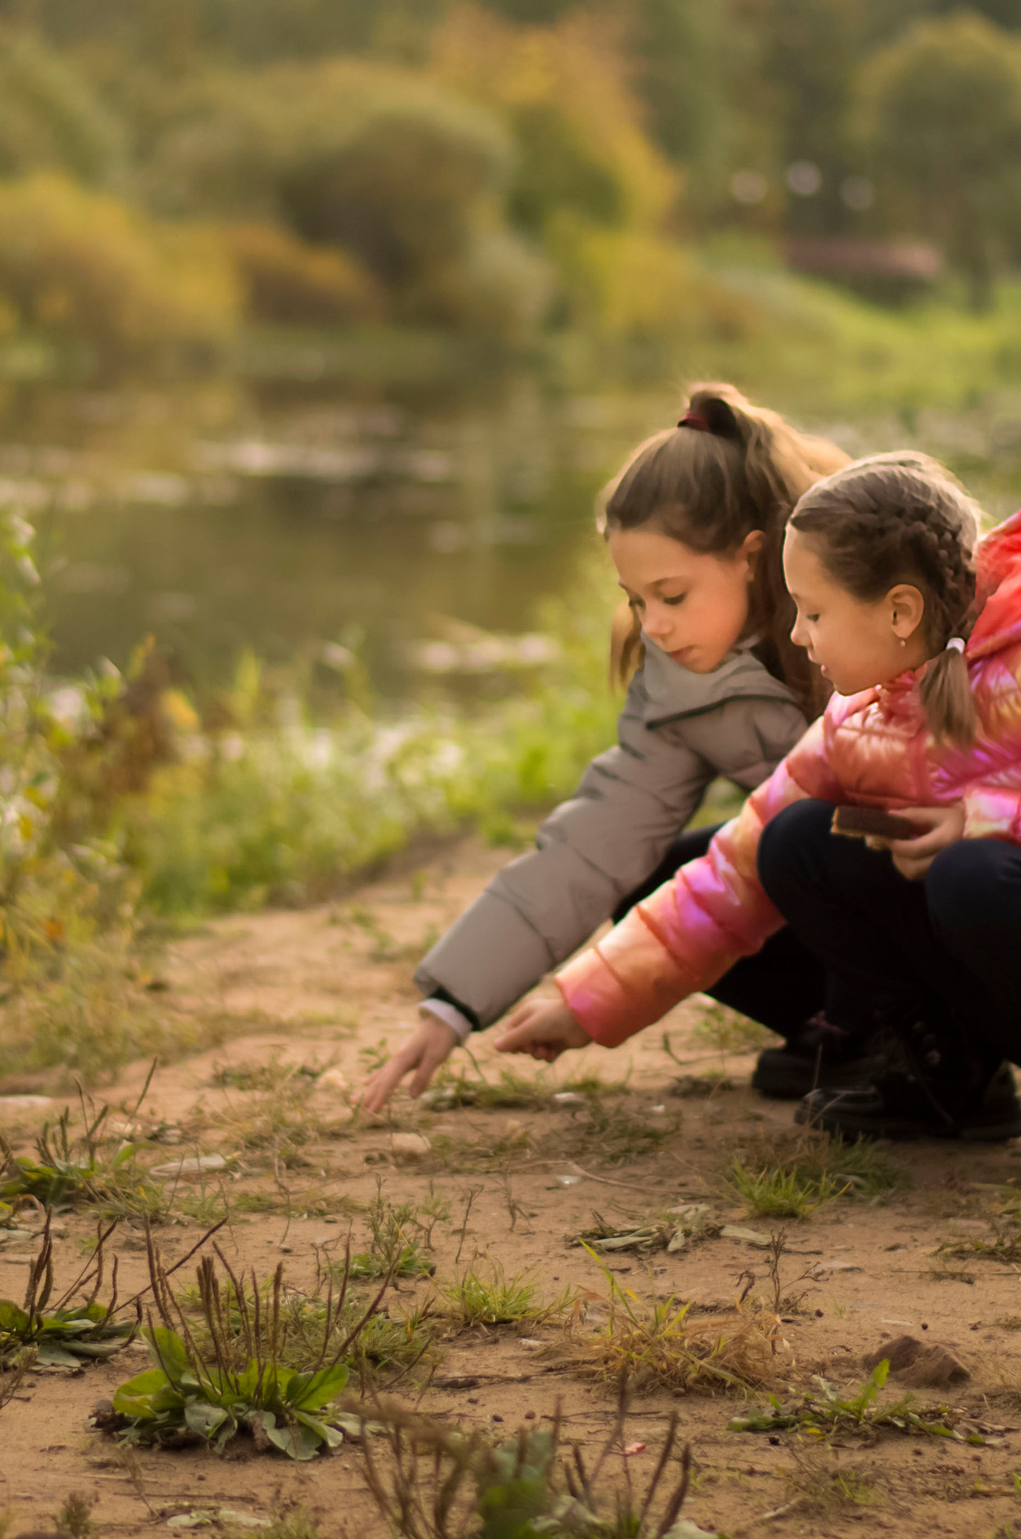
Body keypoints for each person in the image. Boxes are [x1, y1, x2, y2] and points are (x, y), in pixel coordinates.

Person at [483, 452, 1021, 1187]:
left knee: (972, 871)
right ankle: (949, 1077)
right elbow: (731, 872)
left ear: (900, 611)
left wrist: (986, 819)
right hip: (997, 968)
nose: (797, 636)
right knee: (797, 841)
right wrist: (585, 1006)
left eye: (813, 612)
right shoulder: (857, 717)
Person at [355, 382, 852, 1115]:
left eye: (672, 596)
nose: (653, 625)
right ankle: (849, 1031)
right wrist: (452, 1006)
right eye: (635, 599)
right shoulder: (679, 682)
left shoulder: (867, 612)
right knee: (662, 869)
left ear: (751, 557)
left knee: (801, 834)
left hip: (944, 874)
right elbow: (592, 844)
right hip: (832, 867)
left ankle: (935, 1040)